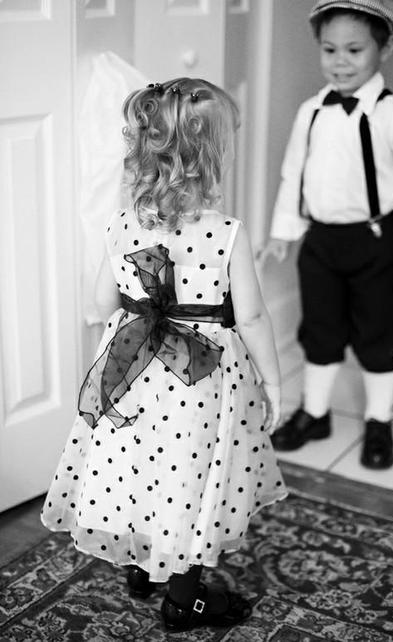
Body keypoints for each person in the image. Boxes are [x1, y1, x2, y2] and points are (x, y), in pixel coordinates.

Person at [41, 77, 287, 632]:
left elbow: (100, 300)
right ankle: (185, 598)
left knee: (139, 468)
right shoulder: (226, 233)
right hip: (199, 382)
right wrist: (272, 382)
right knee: (191, 479)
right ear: (214, 156)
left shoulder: (121, 225)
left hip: (130, 373)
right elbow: (249, 317)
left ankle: (143, 564)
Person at [262, 0, 393, 469]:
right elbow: (293, 171)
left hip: (374, 240)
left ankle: (379, 420)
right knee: (319, 327)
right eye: (330, 50)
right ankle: (315, 413)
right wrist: (284, 230)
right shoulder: (311, 111)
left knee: (377, 332)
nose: (340, 62)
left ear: (384, 49)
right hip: (320, 240)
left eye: (354, 50)